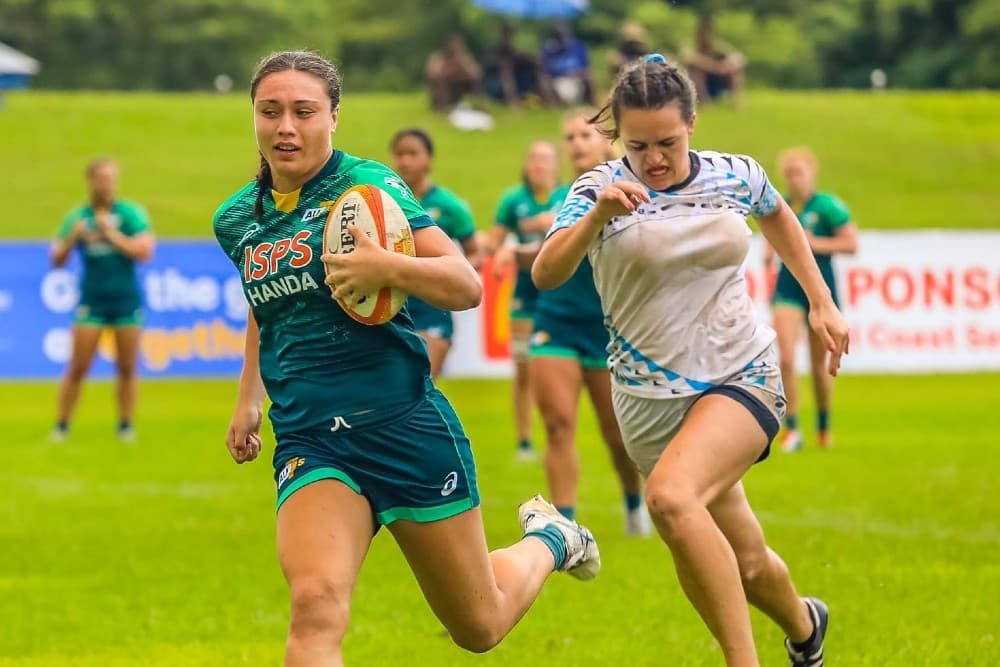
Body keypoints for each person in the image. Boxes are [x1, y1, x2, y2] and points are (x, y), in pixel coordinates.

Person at [213, 51, 600, 666]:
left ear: (332, 118)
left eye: (303, 112)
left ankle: (552, 538)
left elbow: (465, 284)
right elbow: (267, 306)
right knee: (314, 605)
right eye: (270, 111)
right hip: (312, 440)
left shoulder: (369, 188)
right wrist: (247, 398)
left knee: (480, 625)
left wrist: (387, 266)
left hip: (402, 425)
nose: (286, 126)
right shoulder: (236, 220)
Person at [533, 54, 849, 667]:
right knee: (748, 562)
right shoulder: (594, 190)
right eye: (639, 144)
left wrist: (820, 301)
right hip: (649, 404)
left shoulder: (736, 174)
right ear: (618, 136)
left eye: (668, 143)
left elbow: (777, 214)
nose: (654, 158)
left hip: (742, 373)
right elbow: (547, 272)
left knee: (672, 501)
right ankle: (806, 627)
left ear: (694, 123)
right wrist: (599, 213)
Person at [530, 109, 648, 535]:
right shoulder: (559, 200)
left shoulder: (633, 193)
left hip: (607, 328)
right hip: (555, 320)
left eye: (585, 134)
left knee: (617, 436)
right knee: (558, 423)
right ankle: (567, 528)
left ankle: (635, 507)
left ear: (607, 141)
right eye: (569, 137)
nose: (576, 143)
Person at [50, 158, 155, 443]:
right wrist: (73, 238)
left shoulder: (129, 214)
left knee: (127, 366)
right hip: (91, 300)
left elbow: (145, 251)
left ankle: (125, 425)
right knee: (78, 366)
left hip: (125, 299)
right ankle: (61, 424)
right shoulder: (78, 217)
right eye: (102, 178)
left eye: (112, 178)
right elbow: (56, 258)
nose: (108, 184)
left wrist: (110, 234)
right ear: (91, 181)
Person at [766, 147, 858, 452]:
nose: (794, 178)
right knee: (787, 358)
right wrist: (770, 252)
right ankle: (791, 429)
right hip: (788, 287)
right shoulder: (781, 207)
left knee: (820, 366)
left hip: (821, 288)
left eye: (799, 172)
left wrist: (813, 243)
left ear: (812, 174)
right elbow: (771, 242)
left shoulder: (828, 206)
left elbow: (850, 243)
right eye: (789, 173)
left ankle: (823, 426)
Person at [486, 141, 566, 461]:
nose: (538, 165)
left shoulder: (569, 195)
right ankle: (523, 441)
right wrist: (509, 245)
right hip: (524, 295)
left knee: (557, 368)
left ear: (556, 165)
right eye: (533, 158)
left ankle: (558, 433)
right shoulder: (513, 200)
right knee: (522, 369)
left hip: (561, 296)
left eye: (545, 159)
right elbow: (492, 246)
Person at [390, 127, 482, 379]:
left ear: (428, 159)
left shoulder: (450, 206)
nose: (404, 160)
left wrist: (442, 271)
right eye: (399, 154)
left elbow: (475, 256)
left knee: (419, 383)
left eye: (412, 153)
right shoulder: (382, 203)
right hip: (391, 310)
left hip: (433, 309)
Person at [483, 23, 557, 108]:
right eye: (506, 34)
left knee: (537, 67)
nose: (508, 37)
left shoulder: (515, 52)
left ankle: (550, 99)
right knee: (505, 67)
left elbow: (532, 60)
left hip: (520, 82)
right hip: (498, 85)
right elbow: (488, 65)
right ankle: (513, 103)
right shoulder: (494, 52)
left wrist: (526, 58)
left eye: (510, 34)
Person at [682, 13, 746, 109]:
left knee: (735, 72)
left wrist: (727, 65)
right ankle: (706, 104)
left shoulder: (717, 46)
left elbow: (739, 58)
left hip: (716, 82)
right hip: (698, 85)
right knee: (696, 72)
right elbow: (691, 58)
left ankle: (737, 103)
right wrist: (714, 66)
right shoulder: (690, 45)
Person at [541, 24, 596, 105]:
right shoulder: (548, 51)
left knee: (589, 79)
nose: (561, 39)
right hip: (556, 81)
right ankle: (555, 106)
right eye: (558, 37)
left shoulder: (578, 47)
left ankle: (592, 103)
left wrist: (578, 73)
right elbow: (544, 71)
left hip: (577, 78)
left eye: (563, 36)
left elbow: (587, 67)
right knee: (545, 84)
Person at [425, 35, 482, 112]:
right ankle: (442, 106)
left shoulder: (464, 57)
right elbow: (433, 74)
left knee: (475, 81)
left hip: (459, 87)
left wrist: (462, 61)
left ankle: (477, 105)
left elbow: (475, 74)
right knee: (440, 81)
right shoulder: (438, 57)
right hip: (445, 87)